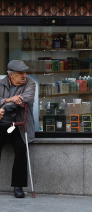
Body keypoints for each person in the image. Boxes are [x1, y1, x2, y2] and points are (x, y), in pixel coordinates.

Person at [0, 60, 36, 198]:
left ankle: (18, 186)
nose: (24, 76)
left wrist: (3, 108)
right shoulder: (1, 83)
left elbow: (26, 98)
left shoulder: (30, 83)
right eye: (20, 73)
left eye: (25, 73)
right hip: (2, 125)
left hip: (19, 125)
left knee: (21, 151)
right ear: (11, 75)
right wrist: (9, 100)